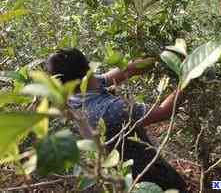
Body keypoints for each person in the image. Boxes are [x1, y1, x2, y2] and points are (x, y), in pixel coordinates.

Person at [46, 48, 188, 192]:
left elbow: (126, 71)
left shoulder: (74, 95)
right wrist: (189, 76)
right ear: (88, 68)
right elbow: (164, 111)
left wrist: (159, 58)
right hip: (148, 177)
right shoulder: (110, 109)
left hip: (121, 177)